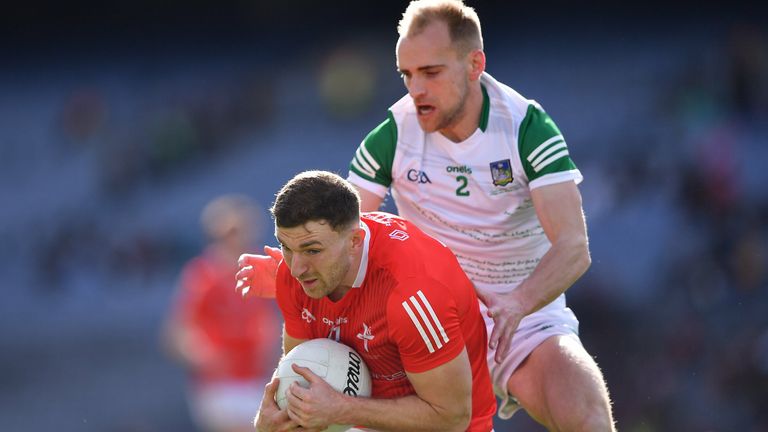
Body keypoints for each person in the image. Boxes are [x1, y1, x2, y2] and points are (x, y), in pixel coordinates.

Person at [238, 1, 616, 430]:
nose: (415, 89)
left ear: (475, 64)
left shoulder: (527, 130)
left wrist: (517, 304)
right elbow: (347, 233)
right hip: (417, 315)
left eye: (431, 73)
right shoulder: (392, 134)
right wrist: (305, 271)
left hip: (517, 314)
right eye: (406, 74)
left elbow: (574, 248)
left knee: (587, 418)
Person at [244, 170, 496, 432]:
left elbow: (452, 417)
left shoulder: (413, 294)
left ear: (355, 241)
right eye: (286, 247)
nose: (297, 268)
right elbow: (298, 380)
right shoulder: (295, 278)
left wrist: (342, 408)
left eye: (312, 250)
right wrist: (273, 424)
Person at [162, 195, 281, 432]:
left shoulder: (260, 270)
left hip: (257, 379)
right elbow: (177, 332)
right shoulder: (203, 274)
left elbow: (271, 318)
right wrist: (203, 355)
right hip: (220, 385)